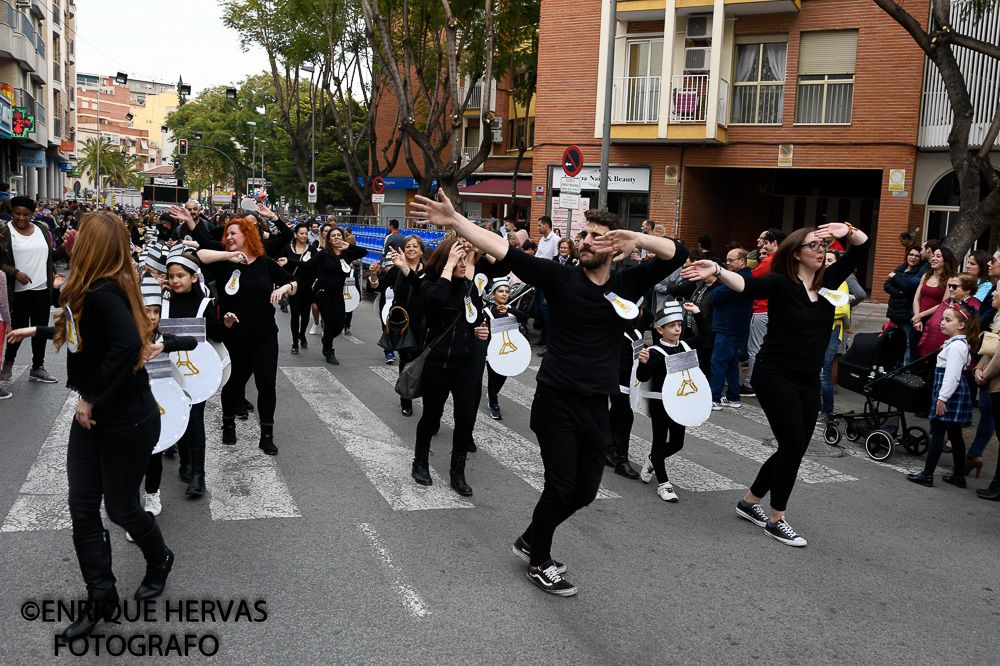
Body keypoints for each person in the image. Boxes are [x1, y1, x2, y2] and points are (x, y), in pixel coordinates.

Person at [412, 192, 686, 597]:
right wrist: (455, 221)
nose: (587, 241)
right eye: (584, 234)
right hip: (556, 399)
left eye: (598, 236)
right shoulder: (560, 277)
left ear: (614, 246)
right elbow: (502, 249)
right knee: (560, 487)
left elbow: (676, 254)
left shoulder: (628, 283)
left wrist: (639, 240)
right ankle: (539, 560)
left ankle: (529, 538)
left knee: (586, 491)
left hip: (598, 403)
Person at [6, 211, 175, 641]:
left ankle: (160, 559)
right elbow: (80, 334)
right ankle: (101, 595)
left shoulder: (105, 289)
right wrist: (36, 330)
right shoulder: (89, 286)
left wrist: (89, 396)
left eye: (80, 236)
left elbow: (127, 343)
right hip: (96, 416)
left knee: (121, 509)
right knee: (82, 505)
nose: (71, 238)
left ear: (94, 246)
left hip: (126, 416)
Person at [682, 222, 870, 547]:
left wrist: (847, 229)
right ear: (796, 254)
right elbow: (746, 285)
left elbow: (862, 248)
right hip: (775, 374)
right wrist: (717, 269)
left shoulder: (829, 281)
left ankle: (749, 501)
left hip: (808, 379)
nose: (821, 249)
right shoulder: (782, 284)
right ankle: (776, 518)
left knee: (790, 447)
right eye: (813, 245)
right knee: (795, 446)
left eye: (823, 245)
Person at [193, 212, 297, 455]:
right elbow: (199, 256)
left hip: (264, 335)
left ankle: (267, 434)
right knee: (233, 384)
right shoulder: (223, 263)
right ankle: (228, 423)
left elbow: (294, 283)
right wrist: (229, 255)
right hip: (234, 337)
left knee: (266, 385)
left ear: (247, 235)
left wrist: (283, 288)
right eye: (226, 234)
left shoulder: (265, 263)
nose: (228, 237)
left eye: (233, 233)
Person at [409, 238, 488, 496]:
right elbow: (436, 300)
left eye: (466, 259)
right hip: (437, 362)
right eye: (458, 260)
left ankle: (457, 471)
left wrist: (479, 331)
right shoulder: (429, 283)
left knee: (465, 417)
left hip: (465, 361)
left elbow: (473, 315)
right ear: (446, 261)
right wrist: (448, 267)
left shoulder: (468, 286)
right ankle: (420, 462)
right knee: (432, 415)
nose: (464, 264)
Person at [164, 251, 235, 496]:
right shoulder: (163, 304)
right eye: (171, 276)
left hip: (198, 375)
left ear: (194, 278)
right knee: (180, 418)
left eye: (180, 275)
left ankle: (199, 475)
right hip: (169, 373)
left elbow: (216, 336)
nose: (175, 280)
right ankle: (185, 462)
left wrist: (225, 324)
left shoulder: (205, 304)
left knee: (195, 422)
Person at [636, 301, 708, 502]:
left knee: (677, 443)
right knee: (659, 442)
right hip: (660, 404)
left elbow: (704, 336)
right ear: (660, 329)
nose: (677, 329)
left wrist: (698, 313)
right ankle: (663, 484)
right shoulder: (655, 352)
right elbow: (642, 378)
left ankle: (652, 459)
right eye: (672, 326)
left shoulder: (685, 346)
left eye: (679, 325)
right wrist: (643, 363)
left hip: (680, 403)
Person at [907, 303, 979, 488]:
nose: (942, 323)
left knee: (938, 432)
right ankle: (958, 477)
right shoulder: (958, 344)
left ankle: (927, 475)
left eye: (948, 320)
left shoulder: (956, 347)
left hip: (949, 394)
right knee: (955, 434)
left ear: (961, 325)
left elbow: (952, 375)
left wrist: (942, 399)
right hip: (953, 393)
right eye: (943, 319)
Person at [0, 196, 66, 383]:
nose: (21, 218)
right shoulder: (4, 231)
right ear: (11, 211)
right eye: (17, 213)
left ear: (33, 213)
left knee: (39, 330)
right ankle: (8, 363)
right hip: (17, 292)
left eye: (26, 214)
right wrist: (15, 273)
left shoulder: (42, 230)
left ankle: (38, 367)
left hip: (41, 290)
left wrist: (65, 249)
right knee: (17, 330)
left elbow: (50, 257)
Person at [369, 234, 427, 414]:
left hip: (424, 321)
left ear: (421, 250)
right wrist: (372, 275)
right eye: (408, 246)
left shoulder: (429, 270)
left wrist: (405, 268)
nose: (411, 249)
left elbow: (422, 289)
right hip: (402, 322)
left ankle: (423, 392)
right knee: (406, 359)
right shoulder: (395, 270)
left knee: (423, 359)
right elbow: (378, 287)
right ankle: (406, 398)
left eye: (415, 246)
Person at [303, 226, 367, 365]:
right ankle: (329, 350)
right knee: (330, 321)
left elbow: (364, 252)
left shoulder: (347, 253)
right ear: (329, 239)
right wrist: (288, 262)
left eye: (339, 235)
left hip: (337, 293)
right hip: (322, 291)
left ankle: (326, 339)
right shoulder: (323, 253)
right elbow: (308, 266)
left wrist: (348, 245)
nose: (336, 237)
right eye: (333, 235)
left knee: (339, 324)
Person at [709, 248, 753, 410]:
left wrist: (719, 289)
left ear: (742, 261)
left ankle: (714, 398)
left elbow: (716, 296)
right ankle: (733, 396)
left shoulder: (738, 278)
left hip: (728, 328)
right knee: (731, 363)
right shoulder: (744, 277)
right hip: (735, 327)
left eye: (731, 260)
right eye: (726, 260)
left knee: (719, 362)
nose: (727, 263)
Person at [743, 228, 785, 398]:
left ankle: (749, 385)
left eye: (765, 242)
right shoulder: (786, 259)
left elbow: (750, 279)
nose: (762, 246)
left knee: (755, 349)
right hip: (776, 308)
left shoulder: (772, 260)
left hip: (763, 308)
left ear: (774, 243)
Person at [484, 277, 528, 420]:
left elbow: (524, 317)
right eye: (500, 291)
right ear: (493, 294)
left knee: (503, 375)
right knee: (493, 375)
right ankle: (494, 403)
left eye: (507, 292)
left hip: (509, 350)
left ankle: (492, 393)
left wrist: (510, 308)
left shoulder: (511, 311)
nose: (504, 294)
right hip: (492, 349)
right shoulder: (486, 311)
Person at [818, 251, 852, 422]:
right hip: (817, 331)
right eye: (825, 260)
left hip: (832, 332)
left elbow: (842, 309)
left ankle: (827, 412)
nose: (827, 263)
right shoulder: (819, 280)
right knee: (816, 371)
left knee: (824, 373)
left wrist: (819, 312)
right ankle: (816, 408)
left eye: (831, 260)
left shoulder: (841, 282)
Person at [277, 223, 317, 355]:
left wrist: (316, 280)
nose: (304, 236)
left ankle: (302, 335)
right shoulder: (287, 249)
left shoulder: (312, 249)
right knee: (295, 314)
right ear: (295, 234)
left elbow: (315, 267)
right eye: (301, 233)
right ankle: (295, 342)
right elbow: (279, 267)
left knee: (305, 314)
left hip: (307, 287)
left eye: (306, 233)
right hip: (293, 287)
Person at [884, 244, 926, 364]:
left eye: (917, 256)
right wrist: (899, 292)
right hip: (894, 311)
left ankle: (907, 369)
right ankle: (893, 366)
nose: (913, 258)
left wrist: (895, 277)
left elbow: (908, 288)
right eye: (911, 255)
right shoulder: (901, 268)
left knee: (908, 342)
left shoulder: (919, 273)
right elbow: (886, 285)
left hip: (907, 314)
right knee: (893, 340)